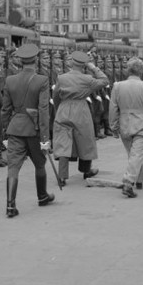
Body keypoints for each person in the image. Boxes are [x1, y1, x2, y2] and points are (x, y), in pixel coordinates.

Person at [2, 43, 53, 218]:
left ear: (20, 62)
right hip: (34, 129)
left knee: (13, 167)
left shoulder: (10, 80)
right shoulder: (42, 80)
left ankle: (10, 205)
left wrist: (4, 133)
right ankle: (42, 196)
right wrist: (45, 138)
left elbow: (5, 110)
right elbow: (44, 110)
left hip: (15, 128)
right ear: (36, 60)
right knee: (39, 164)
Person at [109, 57, 143, 198]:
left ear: (127, 70)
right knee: (136, 154)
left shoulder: (117, 86)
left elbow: (113, 108)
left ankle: (139, 179)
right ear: (142, 71)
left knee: (133, 154)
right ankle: (129, 182)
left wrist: (113, 127)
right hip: (142, 124)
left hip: (124, 124)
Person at [52, 51, 108, 185]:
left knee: (63, 143)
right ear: (84, 65)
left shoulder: (62, 78)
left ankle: (62, 176)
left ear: (71, 63)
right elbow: (105, 80)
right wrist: (93, 67)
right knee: (85, 141)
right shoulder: (87, 79)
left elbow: (56, 96)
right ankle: (86, 170)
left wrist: (59, 109)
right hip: (81, 110)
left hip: (64, 109)